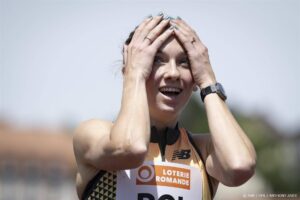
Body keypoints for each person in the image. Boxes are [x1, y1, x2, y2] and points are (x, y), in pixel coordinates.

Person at [73, 12, 256, 200]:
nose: (173, 73)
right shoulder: (93, 134)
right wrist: (135, 75)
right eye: (157, 60)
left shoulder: (203, 150)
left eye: (184, 62)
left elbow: (239, 166)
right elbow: (131, 148)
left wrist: (208, 82)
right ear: (130, 69)